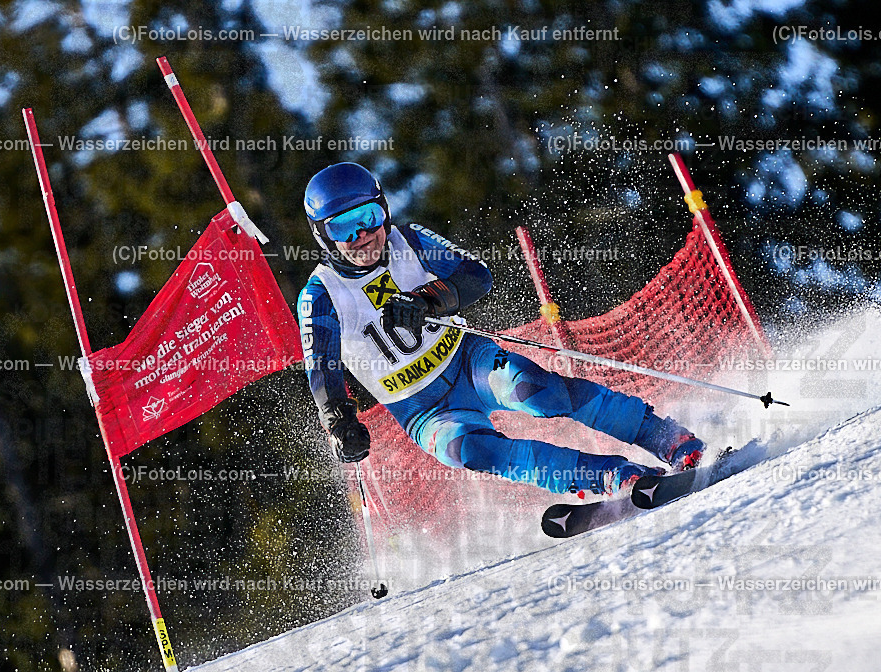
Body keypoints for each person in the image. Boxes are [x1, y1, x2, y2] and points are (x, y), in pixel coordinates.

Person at [297, 162, 704, 497]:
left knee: (536, 391)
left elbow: (476, 275)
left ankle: (667, 438)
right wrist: (340, 424)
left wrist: (429, 300)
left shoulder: (411, 241)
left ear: (383, 209)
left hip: (467, 360)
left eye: (368, 218)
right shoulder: (321, 295)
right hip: (421, 408)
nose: (362, 236)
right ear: (323, 237)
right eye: (343, 229)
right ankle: (609, 475)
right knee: (470, 449)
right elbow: (322, 368)